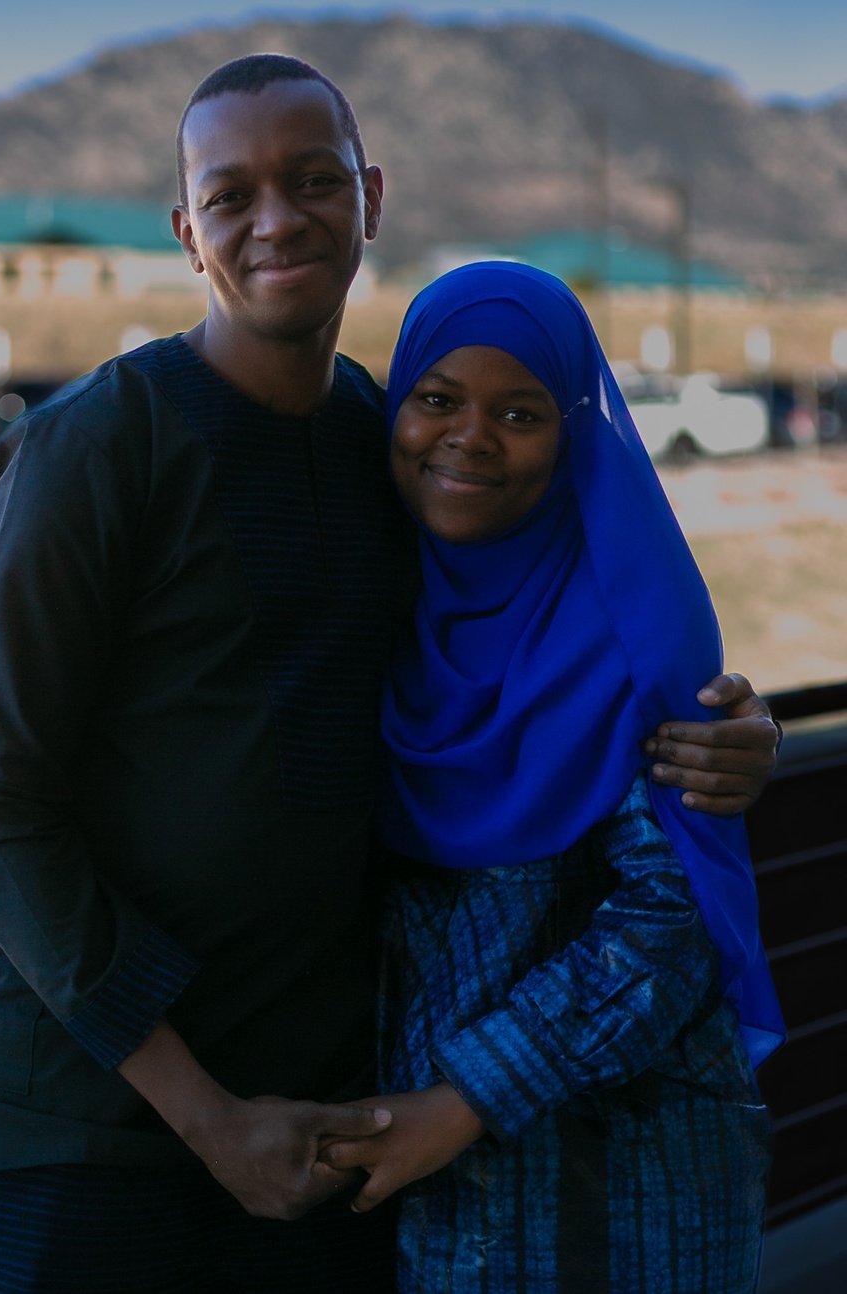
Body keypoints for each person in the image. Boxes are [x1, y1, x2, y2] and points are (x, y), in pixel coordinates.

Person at [0, 56, 780, 1293]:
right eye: (231, 196)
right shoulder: (93, 450)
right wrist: (204, 1111)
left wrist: (728, 730)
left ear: (371, 197)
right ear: (187, 231)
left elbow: (538, 643)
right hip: (99, 1133)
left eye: (314, 179)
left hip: (337, 1140)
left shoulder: (387, 445)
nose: (276, 219)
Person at [318, 262, 784, 1294]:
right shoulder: (372, 610)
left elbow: (674, 915)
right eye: (435, 399)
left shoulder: (634, 632)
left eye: (519, 412)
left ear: (573, 432)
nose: (469, 436)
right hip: (434, 1193)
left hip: (632, 1176)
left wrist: (463, 1097)